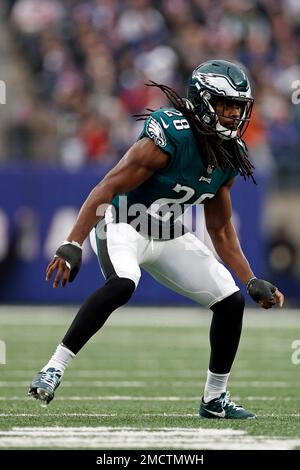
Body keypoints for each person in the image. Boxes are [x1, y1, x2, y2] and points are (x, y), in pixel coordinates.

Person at [28, 59, 284, 419]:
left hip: (168, 233)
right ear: (203, 102)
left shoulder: (229, 154)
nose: (233, 116)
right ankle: (53, 366)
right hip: (124, 223)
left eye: (238, 107)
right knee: (123, 284)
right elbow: (109, 185)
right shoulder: (170, 135)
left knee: (230, 300)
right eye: (226, 106)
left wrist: (251, 279)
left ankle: (215, 400)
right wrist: (73, 242)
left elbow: (222, 229)